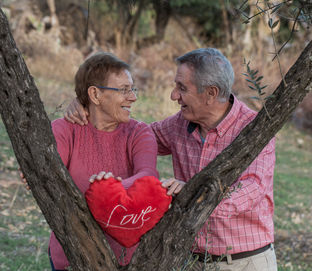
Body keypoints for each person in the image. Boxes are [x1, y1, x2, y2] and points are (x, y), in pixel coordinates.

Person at [64, 48, 277, 270]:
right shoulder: (180, 124)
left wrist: (192, 194)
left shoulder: (254, 130)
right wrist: (91, 104)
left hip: (245, 262)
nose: (173, 95)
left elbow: (250, 190)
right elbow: (136, 137)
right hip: (189, 261)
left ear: (211, 93)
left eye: (182, 88)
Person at [22, 52, 181, 270]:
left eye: (132, 89)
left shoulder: (139, 132)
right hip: (72, 256)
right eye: (124, 90)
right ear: (95, 95)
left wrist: (110, 187)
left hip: (126, 259)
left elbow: (148, 176)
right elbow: (46, 176)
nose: (133, 97)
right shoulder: (64, 130)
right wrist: (34, 174)